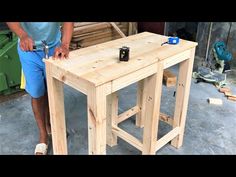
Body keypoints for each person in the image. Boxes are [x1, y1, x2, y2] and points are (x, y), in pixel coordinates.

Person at [6, 22, 74, 155]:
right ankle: (43, 136)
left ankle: (51, 125)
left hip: (54, 48)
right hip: (29, 51)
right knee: (37, 92)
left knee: (52, 89)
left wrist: (65, 45)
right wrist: (22, 35)